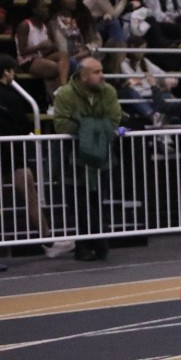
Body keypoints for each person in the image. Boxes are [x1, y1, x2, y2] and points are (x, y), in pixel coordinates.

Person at [0, 53, 75, 258]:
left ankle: (47, 240)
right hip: (12, 151)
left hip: (11, 152)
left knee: (29, 191)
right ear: (7, 73)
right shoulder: (12, 96)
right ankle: (47, 239)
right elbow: (21, 123)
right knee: (30, 193)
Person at [52, 56, 121, 261]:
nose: (102, 76)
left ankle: (94, 243)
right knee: (79, 202)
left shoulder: (109, 91)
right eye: (96, 72)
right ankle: (87, 244)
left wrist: (85, 125)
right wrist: (94, 127)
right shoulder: (65, 93)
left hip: (101, 155)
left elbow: (114, 119)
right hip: (72, 157)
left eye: (102, 71)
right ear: (83, 76)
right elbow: (61, 125)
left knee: (97, 200)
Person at [15, 0, 69, 102]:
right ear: (34, 10)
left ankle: (62, 87)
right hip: (27, 61)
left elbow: (45, 49)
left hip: (41, 57)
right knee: (55, 68)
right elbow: (22, 51)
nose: (47, 9)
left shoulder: (44, 26)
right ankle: (56, 98)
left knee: (63, 54)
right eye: (43, 7)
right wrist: (41, 46)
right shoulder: (25, 25)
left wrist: (50, 46)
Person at [49, 0, 101, 75]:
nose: (73, 0)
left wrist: (86, 50)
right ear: (60, 0)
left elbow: (96, 40)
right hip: (63, 59)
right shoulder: (52, 22)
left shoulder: (83, 19)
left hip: (83, 56)